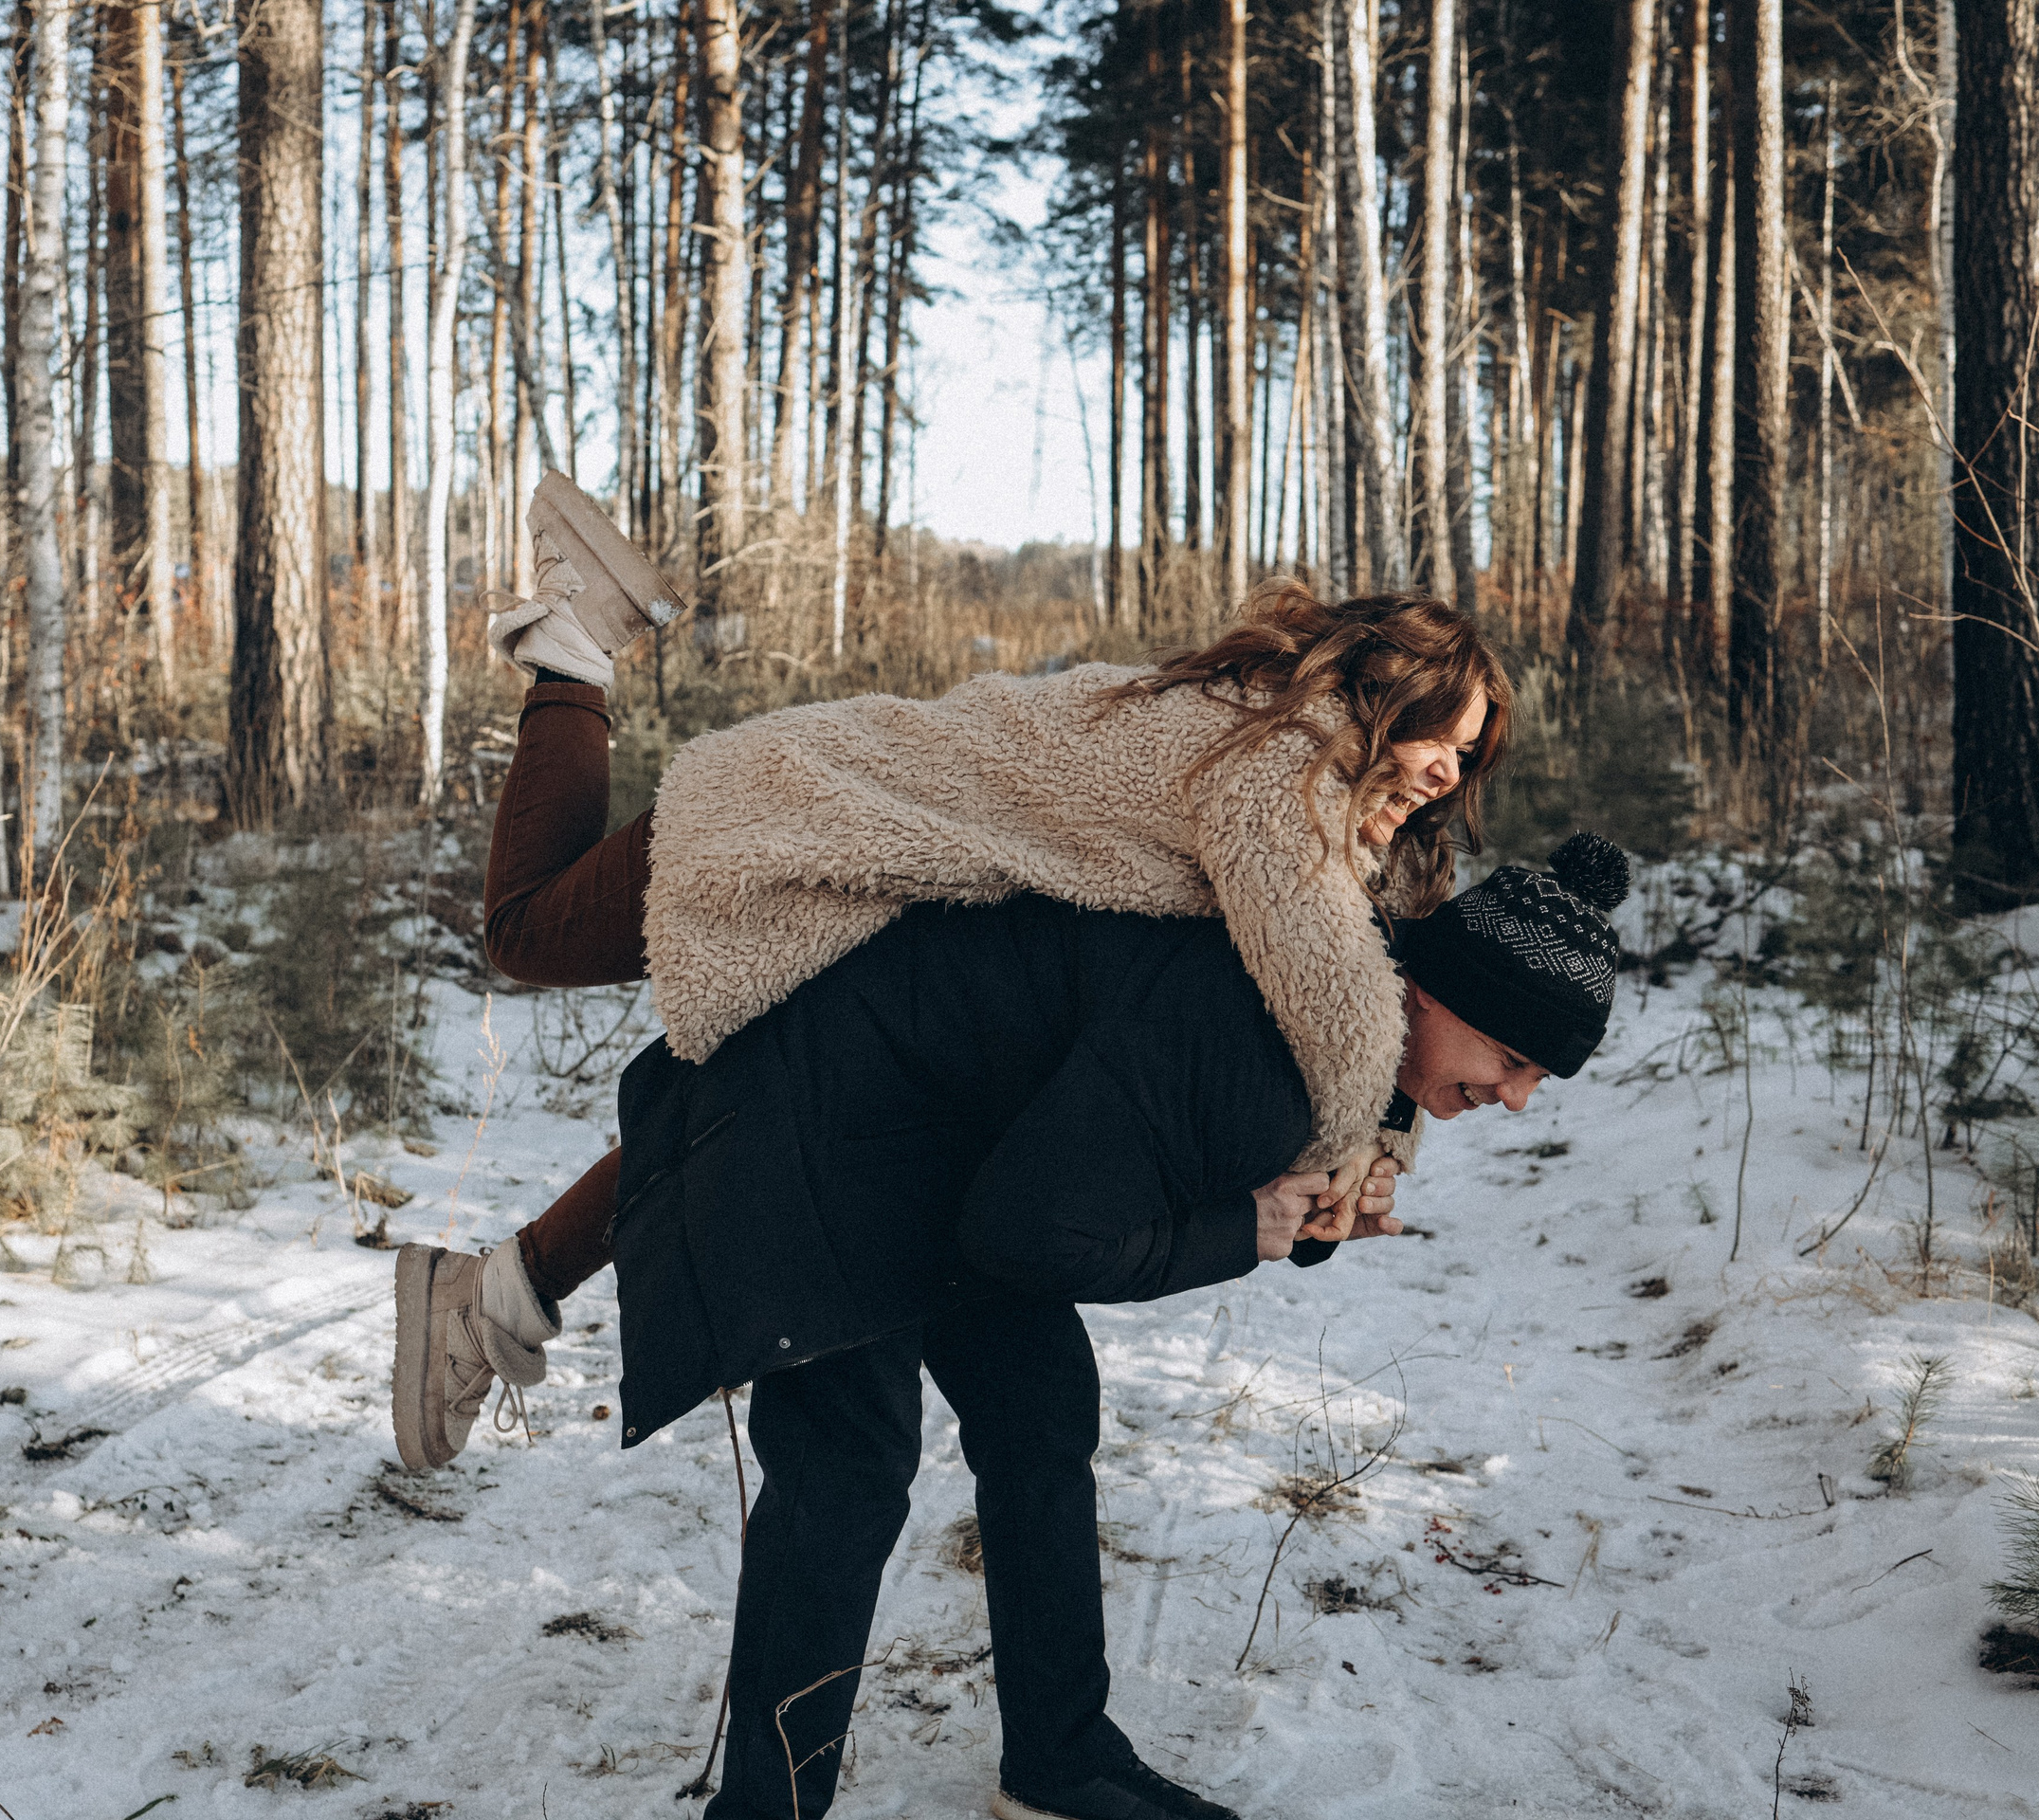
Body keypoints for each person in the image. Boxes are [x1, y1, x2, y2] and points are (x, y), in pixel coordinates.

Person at [400, 835, 1632, 1820]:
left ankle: (1058, 1757)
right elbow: (1040, 1234)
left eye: (1537, 1078)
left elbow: (1100, 1175)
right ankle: (765, 1808)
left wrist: (1291, 1223)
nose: (1515, 1096)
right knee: (849, 1466)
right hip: (823, 1118)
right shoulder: (1277, 1041)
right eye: (1513, 1056)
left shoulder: (1333, 1018)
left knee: (1041, 1413)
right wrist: (1247, 1228)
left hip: (954, 1142)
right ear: (1441, 991)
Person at [397, 473, 1512, 1398]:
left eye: (1465, 760)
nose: (1444, 775)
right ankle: (572, 643)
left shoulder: (1267, 745)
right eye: (1442, 742)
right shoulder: (1278, 765)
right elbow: (1332, 987)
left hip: (873, 860)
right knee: (526, 932)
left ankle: (504, 1294)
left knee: (752, 1096)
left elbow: (1345, 960)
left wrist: (1372, 1143)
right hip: (810, 808)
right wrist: (1355, 1154)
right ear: (1383, 699)